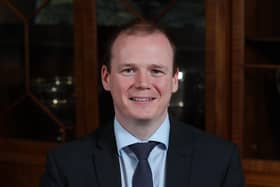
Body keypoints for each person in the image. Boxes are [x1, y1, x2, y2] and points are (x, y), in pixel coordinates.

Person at [40, 21, 244, 187]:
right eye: (128, 70)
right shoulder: (65, 166)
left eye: (156, 71)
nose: (143, 84)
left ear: (174, 80)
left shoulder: (221, 161)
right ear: (106, 78)